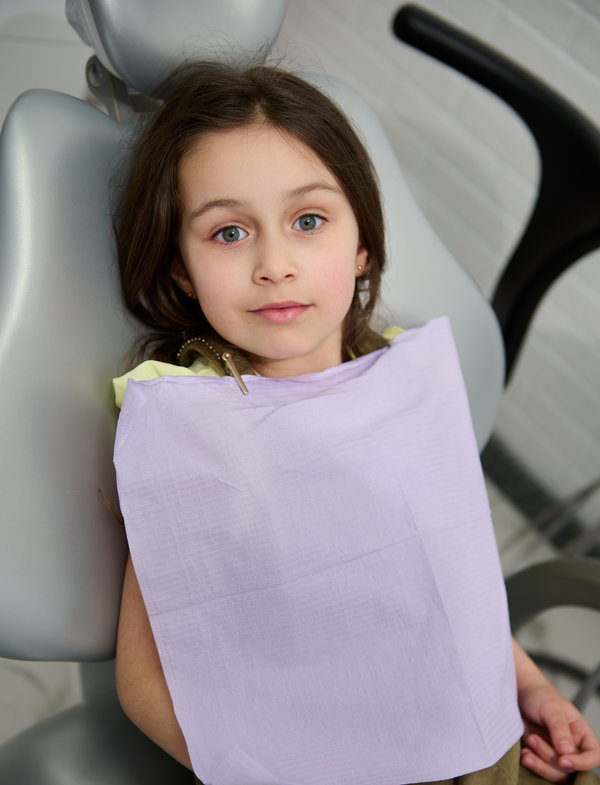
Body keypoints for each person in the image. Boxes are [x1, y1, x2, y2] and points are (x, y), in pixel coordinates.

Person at [112, 61, 600, 785]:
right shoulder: (200, 425)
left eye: (309, 221)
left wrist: (523, 682)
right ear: (181, 269)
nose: (275, 263)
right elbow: (145, 682)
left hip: (484, 744)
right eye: (227, 233)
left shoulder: (406, 380)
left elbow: (446, 581)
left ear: (362, 243)